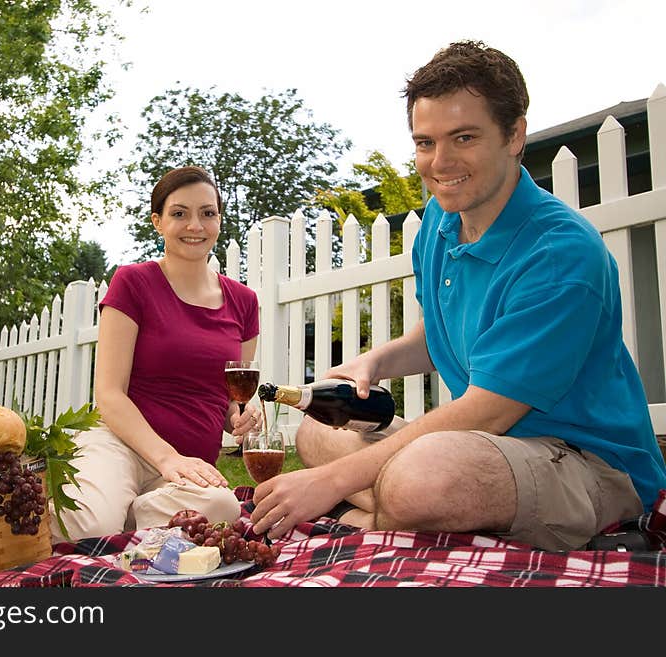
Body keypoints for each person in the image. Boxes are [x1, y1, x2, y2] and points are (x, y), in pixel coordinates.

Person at [249, 40, 666, 551]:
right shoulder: (440, 226)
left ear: (514, 136)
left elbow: (487, 411)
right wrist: (373, 363)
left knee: (423, 476)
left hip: (587, 460)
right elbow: (435, 336)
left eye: (463, 137)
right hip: (486, 448)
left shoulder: (560, 255)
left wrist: (334, 482)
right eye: (425, 142)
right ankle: (395, 513)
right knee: (316, 430)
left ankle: (375, 512)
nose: (439, 162)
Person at [51, 165, 261, 542]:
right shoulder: (133, 282)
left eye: (207, 213)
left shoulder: (244, 302)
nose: (195, 225)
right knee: (88, 527)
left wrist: (242, 415)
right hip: (121, 445)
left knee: (223, 507)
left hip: (185, 471)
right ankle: (111, 511)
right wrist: (166, 457)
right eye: (179, 214)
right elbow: (109, 394)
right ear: (158, 222)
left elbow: (230, 399)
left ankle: (126, 515)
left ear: (218, 221)